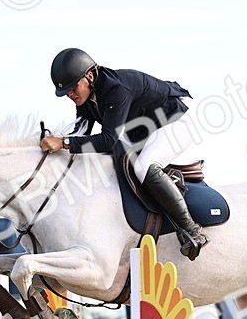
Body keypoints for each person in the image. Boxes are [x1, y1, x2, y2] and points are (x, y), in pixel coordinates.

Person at [40, 48, 208, 260]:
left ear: (89, 76)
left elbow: (108, 140)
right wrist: (58, 143)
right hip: (145, 130)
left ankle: (191, 230)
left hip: (176, 119)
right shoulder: (86, 100)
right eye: (66, 93)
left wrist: (63, 143)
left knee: (144, 167)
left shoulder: (115, 90)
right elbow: (81, 134)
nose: (71, 95)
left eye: (73, 88)